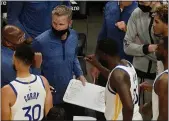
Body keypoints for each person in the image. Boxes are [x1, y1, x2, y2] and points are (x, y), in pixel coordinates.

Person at [32, 5, 86, 120]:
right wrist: (42, 84)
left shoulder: (74, 36)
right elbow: (32, 67)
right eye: (54, 23)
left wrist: (79, 74)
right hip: (49, 97)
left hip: (69, 93)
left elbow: (73, 56)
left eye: (61, 24)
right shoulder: (40, 41)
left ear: (70, 23)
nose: (57, 28)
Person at [91, 2, 137, 119]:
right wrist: (97, 62)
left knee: (124, 102)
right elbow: (102, 35)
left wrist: (127, 29)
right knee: (101, 103)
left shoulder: (138, 11)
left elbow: (143, 42)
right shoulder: (110, 6)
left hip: (126, 65)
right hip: (106, 62)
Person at [85, 39, 142, 121]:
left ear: (104, 55)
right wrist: (98, 65)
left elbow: (129, 108)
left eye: (98, 54)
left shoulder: (118, 76)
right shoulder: (126, 64)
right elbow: (113, 79)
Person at [123, 1, 161, 120]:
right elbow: (127, 46)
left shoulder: (164, 16)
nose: (140, 3)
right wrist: (147, 47)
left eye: (143, 1)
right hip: (138, 76)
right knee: (136, 114)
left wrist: (139, 46)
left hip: (159, 77)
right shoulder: (136, 13)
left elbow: (163, 54)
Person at [1, 44, 53, 120]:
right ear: (32, 61)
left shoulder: (7, 90)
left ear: (15, 60)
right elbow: (50, 114)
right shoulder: (43, 81)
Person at [140, 37, 168, 121]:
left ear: (166, 52)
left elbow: (163, 116)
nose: (155, 50)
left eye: (159, 48)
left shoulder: (164, 79)